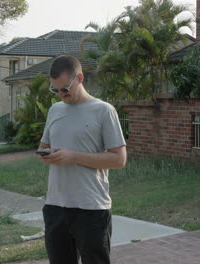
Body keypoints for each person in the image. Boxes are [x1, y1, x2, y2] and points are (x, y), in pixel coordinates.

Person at [38, 54, 127, 264]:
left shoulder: (104, 110)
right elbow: (44, 147)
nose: (61, 94)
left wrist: (73, 156)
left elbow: (119, 160)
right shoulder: (55, 110)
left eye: (65, 89)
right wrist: (46, 155)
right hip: (55, 206)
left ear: (79, 78)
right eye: (55, 89)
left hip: (91, 208)